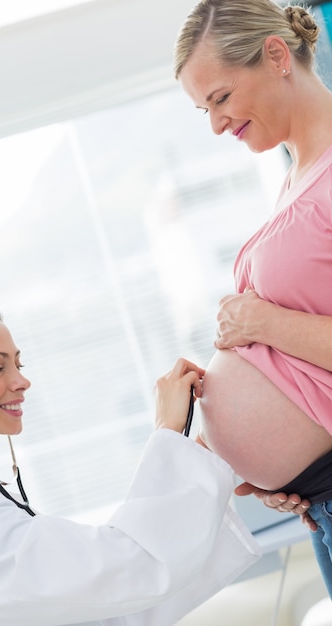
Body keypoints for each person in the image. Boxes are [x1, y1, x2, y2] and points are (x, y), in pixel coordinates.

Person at [0, 301, 259, 626]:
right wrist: (167, 431)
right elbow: (126, 567)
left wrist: (207, 454)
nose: (21, 381)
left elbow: (105, 606)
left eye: (18, 365)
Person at [173, 0, 332, 596]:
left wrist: (262, 321)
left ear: (275, 55)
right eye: (203, 110)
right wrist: (277, 468)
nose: (215, 124)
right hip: (316, 501)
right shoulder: (297, 174)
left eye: (219, 98)